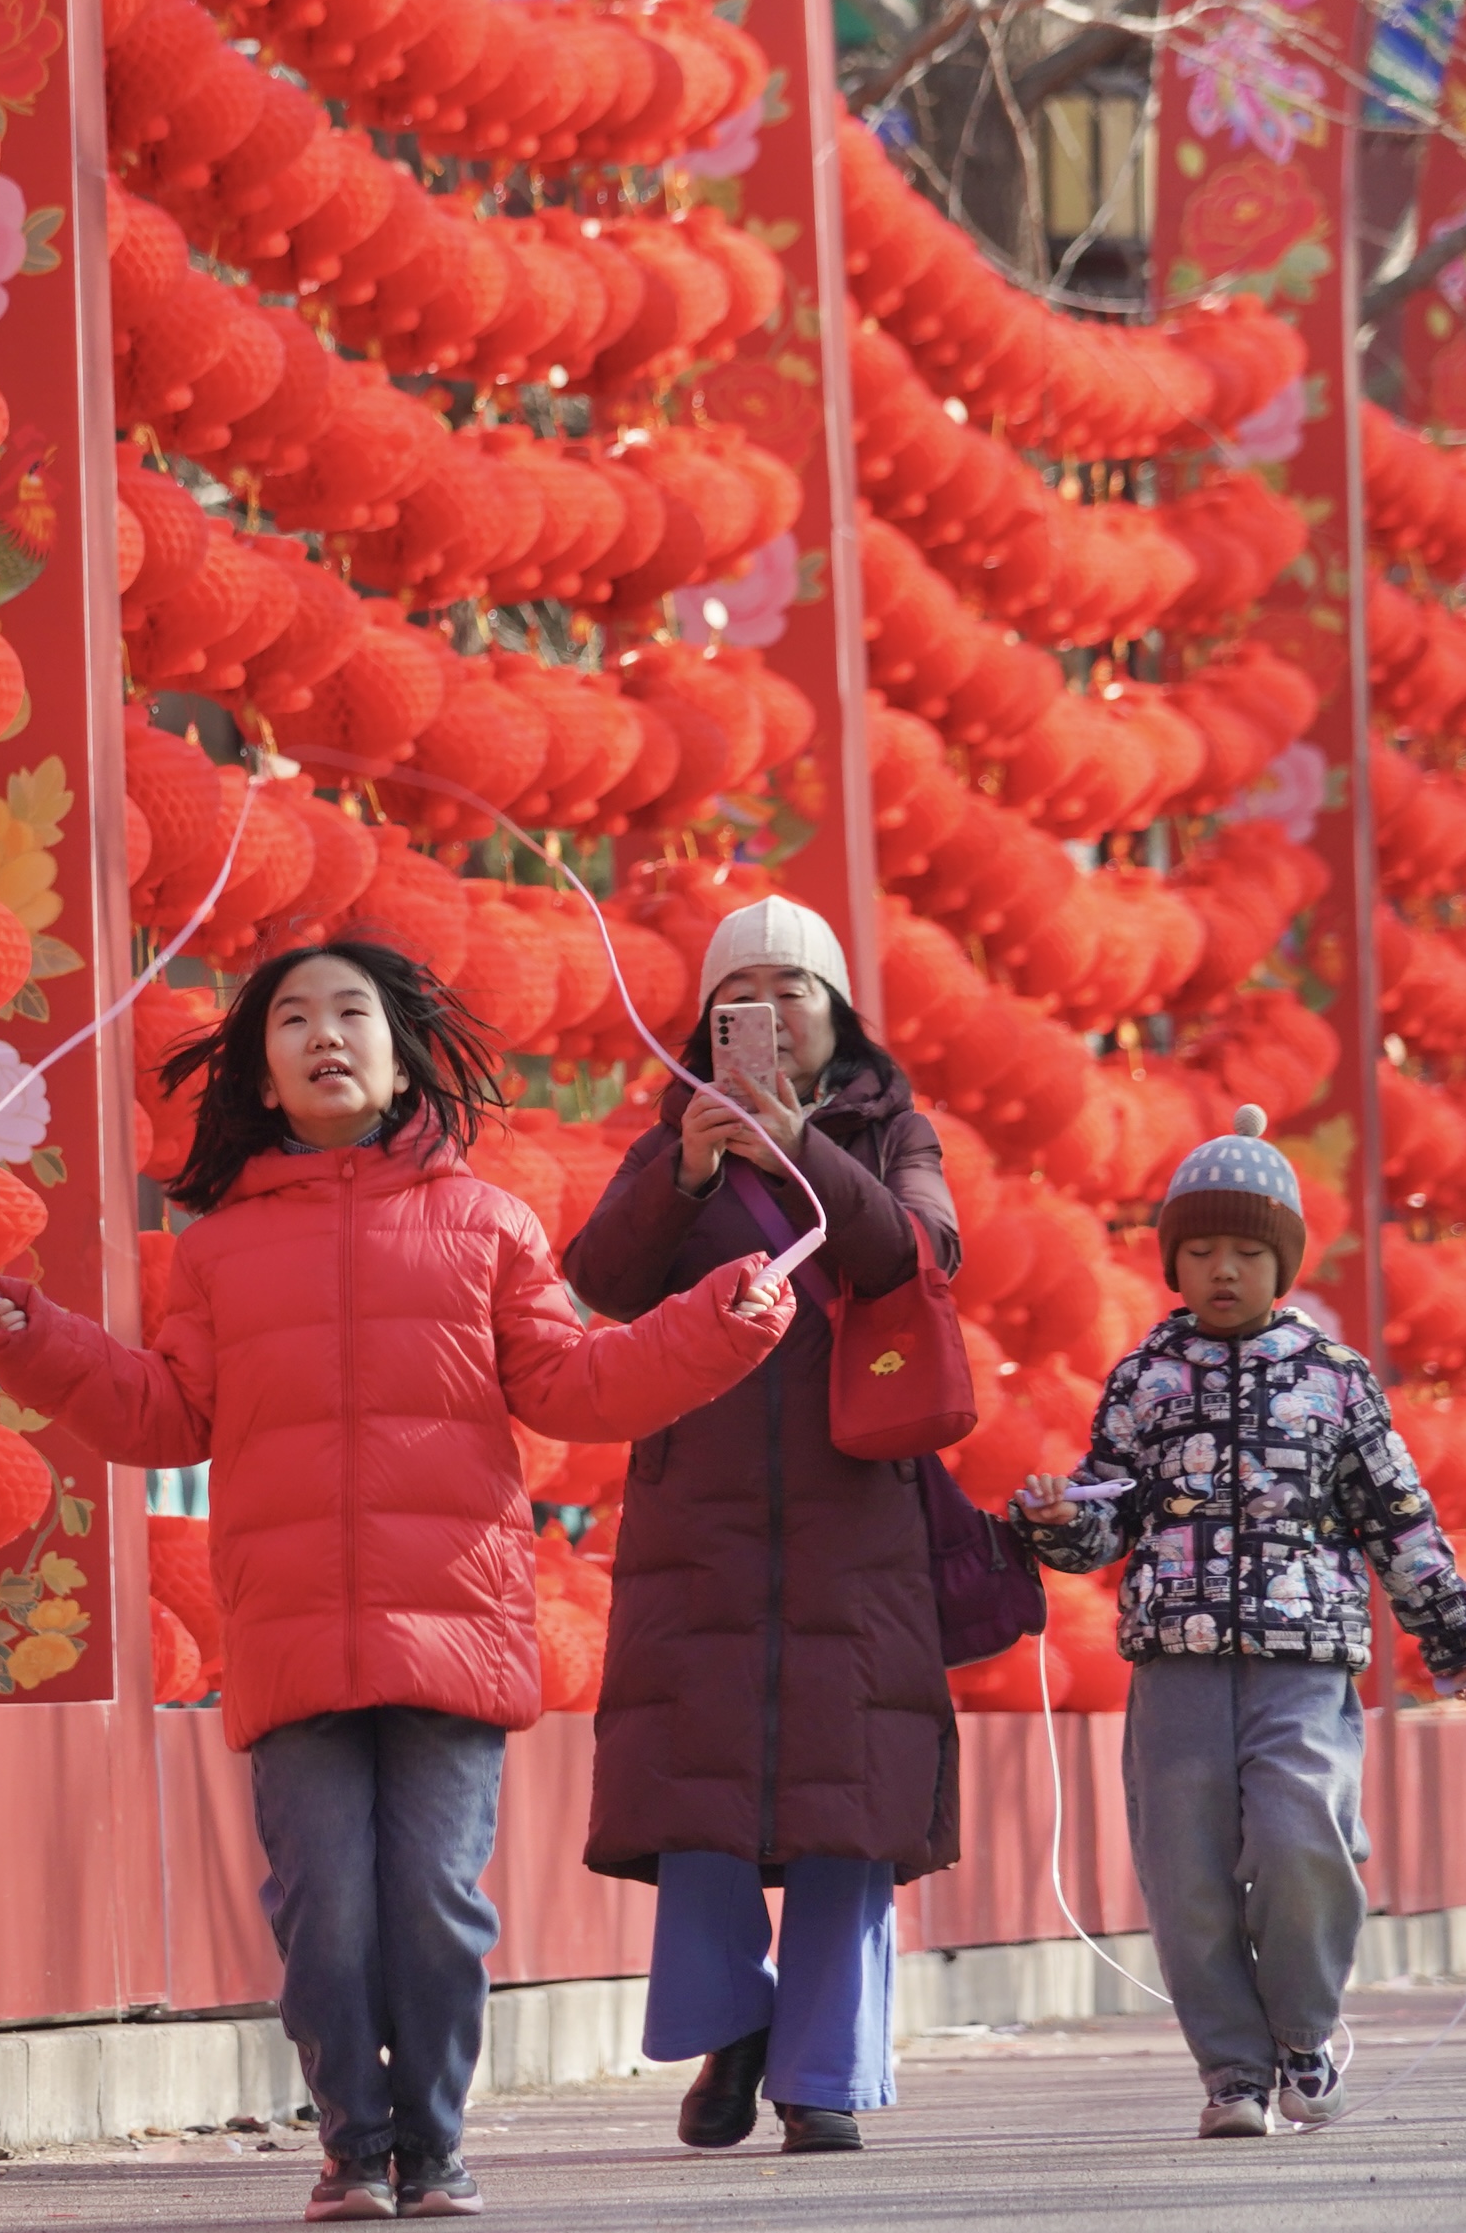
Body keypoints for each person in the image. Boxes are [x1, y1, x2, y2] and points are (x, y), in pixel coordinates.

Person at [0, 940, 793, 2223]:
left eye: (352, 1012)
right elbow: (167, 1412)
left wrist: (717, 1317)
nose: (324, 1034)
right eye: (293, 1019)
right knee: (325, 1912)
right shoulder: (219, 1248)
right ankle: (355, 2144)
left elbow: (577, 1384)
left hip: (453, 1625)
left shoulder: (490, 1221)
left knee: (437, 1904)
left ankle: (435, 2145)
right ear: (263, 1075)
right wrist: (39, 1341)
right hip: (290, 1629)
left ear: (403, 1059)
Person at [559, 894, 962, 2159]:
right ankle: (729, 2026)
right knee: (703, 1783)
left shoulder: (892, 1130)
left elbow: (916, 1253)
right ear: (709, 1020)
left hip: (857, 1509)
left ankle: (824, 2069)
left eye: (797, 985)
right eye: (745, 990)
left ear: (837, 1009)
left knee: (850, 1790)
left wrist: (800, 1146)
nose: (772, 1007)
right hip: (699, 1505)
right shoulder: (675, 1136)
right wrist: (687, 1169)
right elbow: (600, 1278)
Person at [1015, 1106, 1466, 2141]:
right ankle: (1233, 2070)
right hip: (1174, 1665)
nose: (1223, 1270)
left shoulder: (1337, 1380)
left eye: (1245, 1249)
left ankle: (1306, 2034)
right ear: (1172, 1263)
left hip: (1304, 1661)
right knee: (1185, 1874)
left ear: (1282, 1262)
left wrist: (1453, 1633)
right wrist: (1059, 1522)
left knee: (1300, 1839)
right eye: (1199, 1251)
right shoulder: (1144, 1379)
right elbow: (1108, 1519)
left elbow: (1399, 1516)